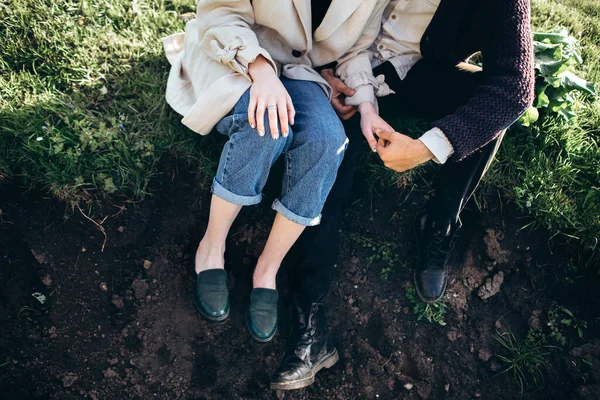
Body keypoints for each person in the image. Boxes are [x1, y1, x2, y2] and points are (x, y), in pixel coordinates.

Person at [274, 0, 535, 390]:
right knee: (332, 169)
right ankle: (309, 327)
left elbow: (515, 86)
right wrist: (322, 68)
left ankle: (439, 224)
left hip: (418, 72)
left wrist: (428, 147)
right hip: (345, 64)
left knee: (486, 108)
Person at [162, 0, 390, 383]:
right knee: (267, 125)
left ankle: (267, 270)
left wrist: (365, 103)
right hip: (233, 56)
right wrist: (261, 68)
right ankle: (211, 246)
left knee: (327, 141)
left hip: (300, 73)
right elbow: (218, 11)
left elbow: (356, 48)